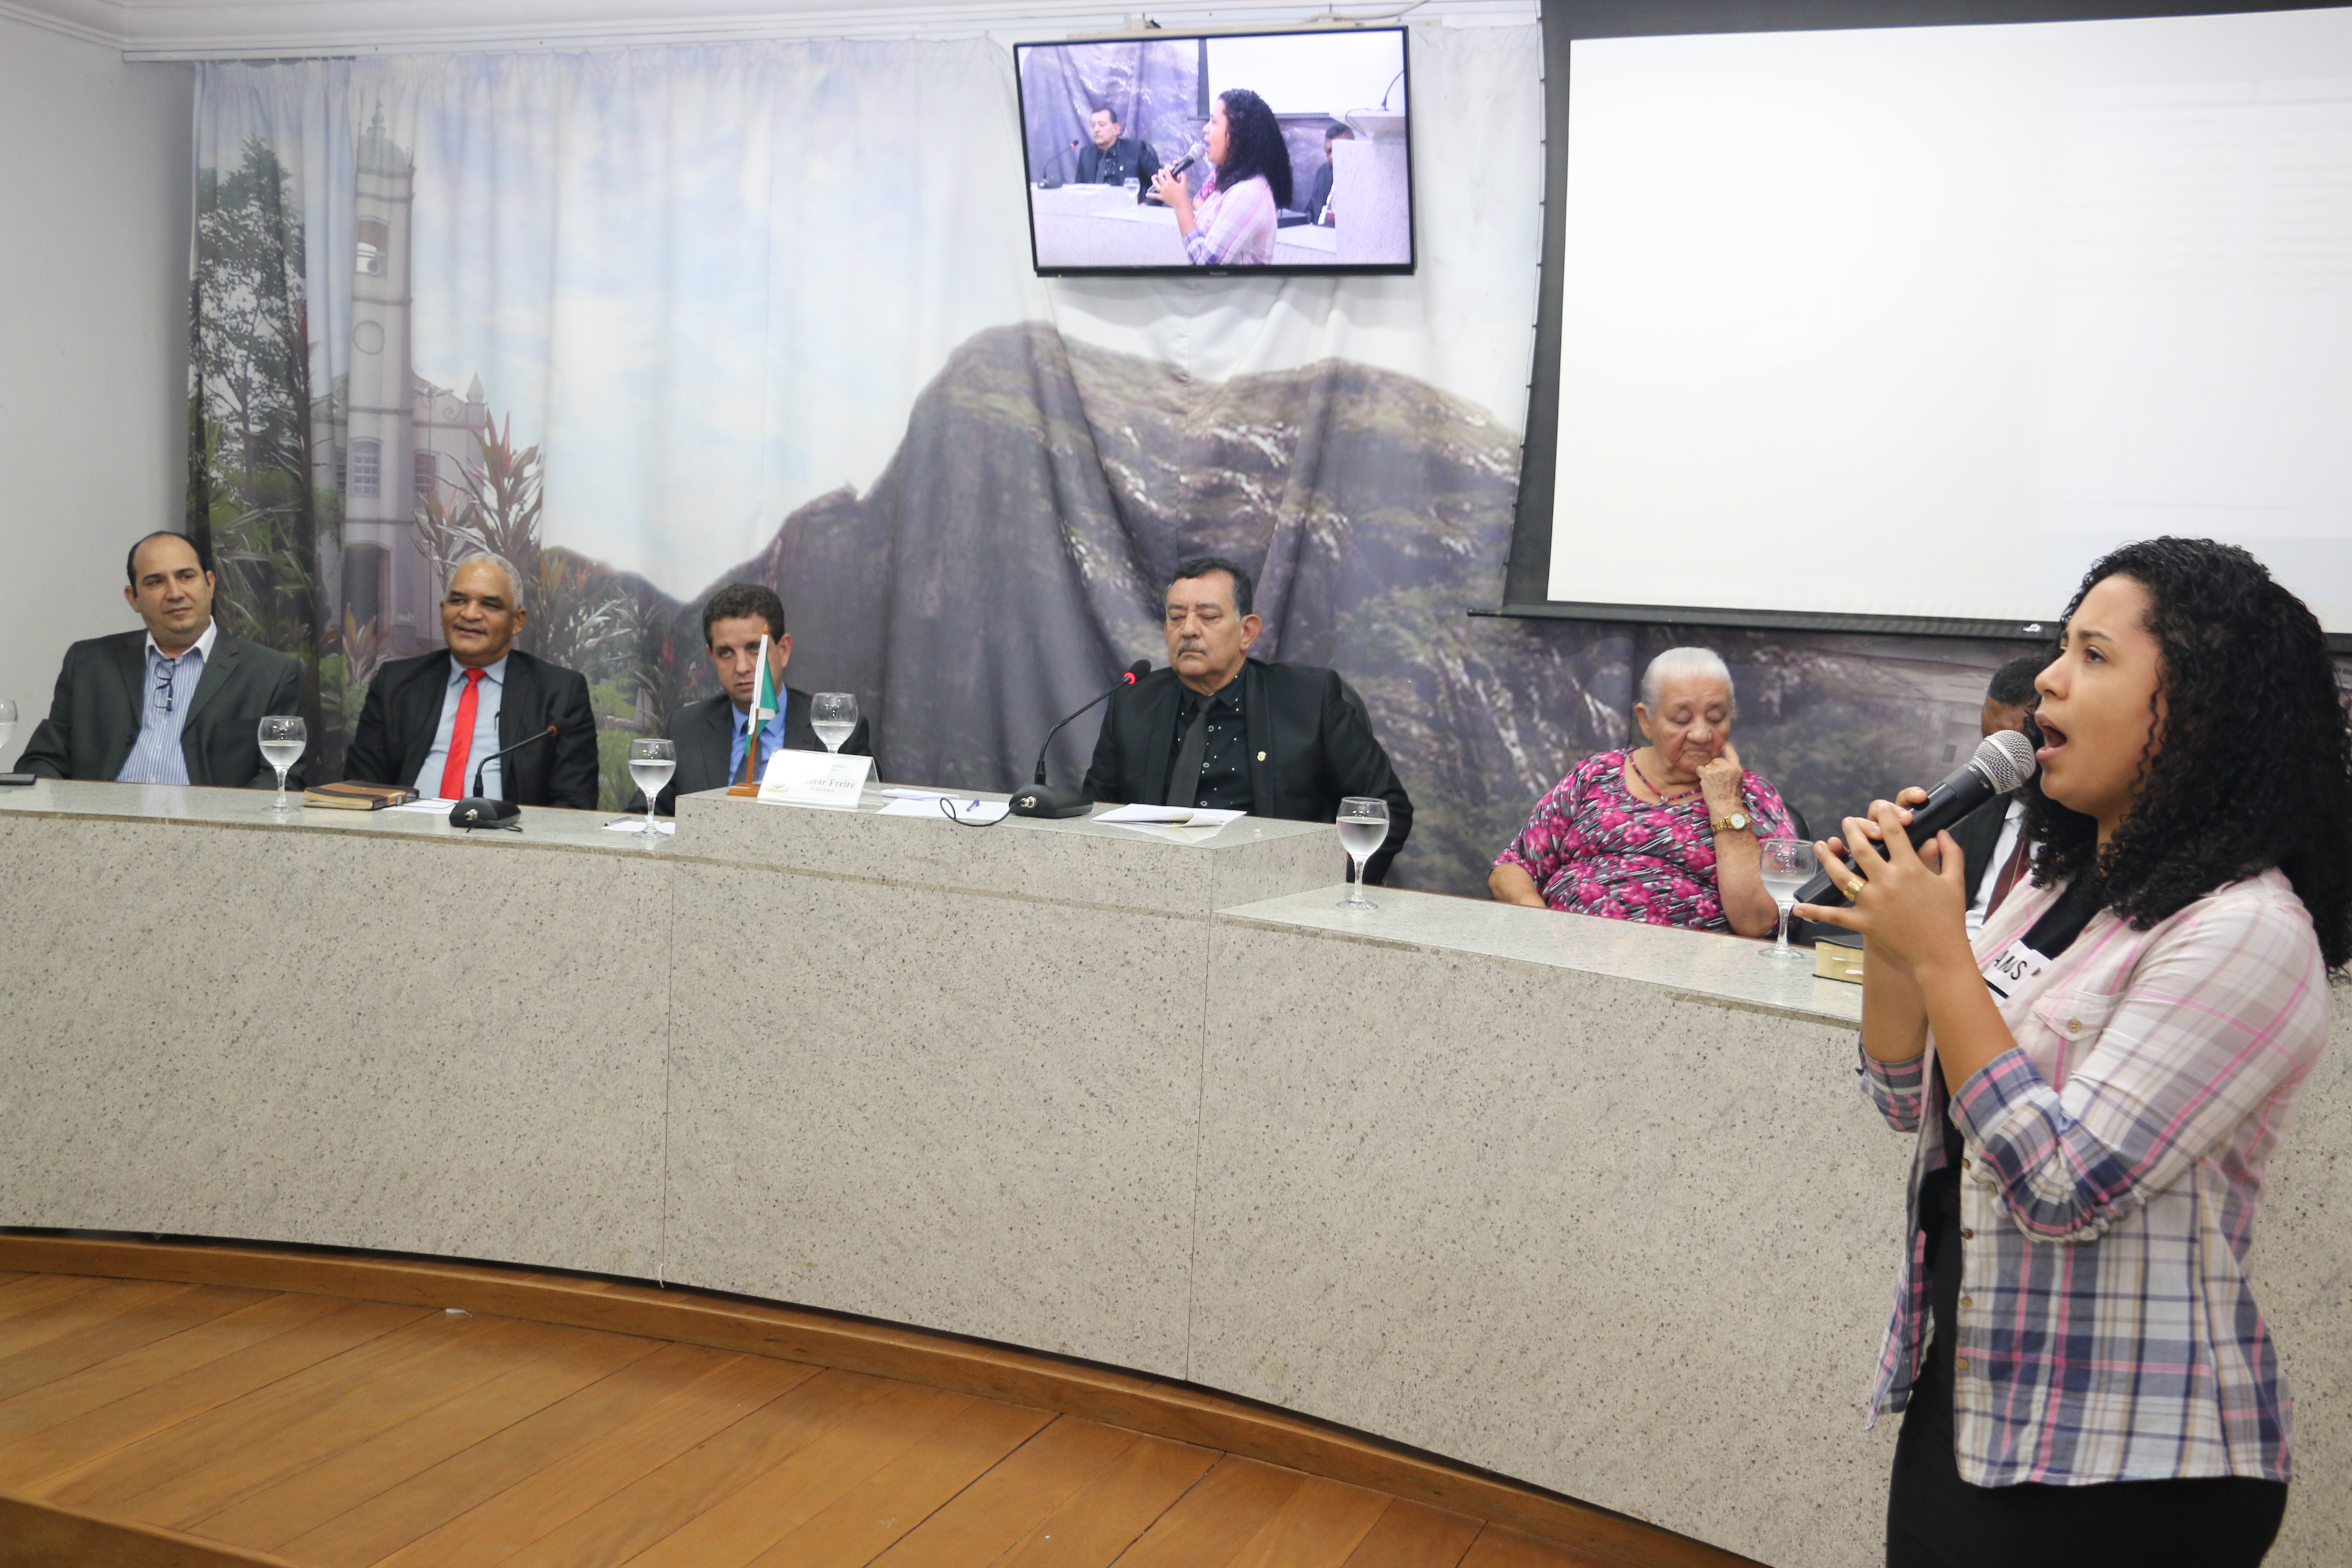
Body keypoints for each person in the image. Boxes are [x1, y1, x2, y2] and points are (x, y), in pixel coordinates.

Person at [1795, 538, 2346, 1568]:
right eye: (2060, 648)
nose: (2049, 679)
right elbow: (1905, 1095)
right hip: (1975, 1401)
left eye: (2093, 655)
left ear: (2200, 708)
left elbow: (2059, 1186)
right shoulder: (2056, 887)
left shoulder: (2247, 933)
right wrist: (1894, 938)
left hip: (2126, 1463)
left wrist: (1942, 955)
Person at [1082, 555, 1412, 883]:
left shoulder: (1309, 701)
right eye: (1177, 617)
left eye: (1208, 617)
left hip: (1278, 892)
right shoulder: (1134, 704)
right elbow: (1093, 815)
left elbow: (1387, 809)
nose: (1189, 630)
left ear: (1247, 632)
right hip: (1153, 887)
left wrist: (1326, 889)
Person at [1488, 647, 1797, 937]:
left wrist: (1727, 803)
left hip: (1683, 967)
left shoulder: (1754, 797)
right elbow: (1514, 866)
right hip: (1562, 951)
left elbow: (1759, 922)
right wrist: (1537, 923)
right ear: (1646, 720)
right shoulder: (1596, 774)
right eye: (1681, 719)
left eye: (1716, 718)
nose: (1702, 734)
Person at [19, 531, 304, 790]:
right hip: (100, 821)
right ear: (133, 599)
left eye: (186, 577)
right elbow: (43, 760)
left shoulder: (270, 673)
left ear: (210, 584)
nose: (175, 593)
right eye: (156, 582)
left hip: (208, 825)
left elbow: (282, 775)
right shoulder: (88, 663)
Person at [342, 552, 598, 808]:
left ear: (518, 621)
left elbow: (574, 803)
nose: (470, 614)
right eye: (458, 601)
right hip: (405, 827)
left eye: (490, 605)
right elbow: (362, 787)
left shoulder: (559, 692)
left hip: (509, 831)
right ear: (443, 611)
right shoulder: (395, 684)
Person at [630, 582, 871, 815]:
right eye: (726, 653)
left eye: (755, 648)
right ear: (711, 657)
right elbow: (644, 817)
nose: (742, 667)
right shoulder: (686, 728)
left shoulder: (835, 733)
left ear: (783, 651)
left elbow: (867, 825)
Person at [1946, 655, 2046, 933]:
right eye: (1996, 746)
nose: (2008, 764)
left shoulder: (2090, 832)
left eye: (2019, 748)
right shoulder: (1970, 814)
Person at [1149, 88, 1290, 266]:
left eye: (1214, 122)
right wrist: (1178, 194)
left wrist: (1181, 204)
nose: (1206, 129)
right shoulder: (1230, 184)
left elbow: (1207, 265)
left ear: (1238, 134)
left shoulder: (1249, 193)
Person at [1072, 104, 1159, 197]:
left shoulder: (1135, 150)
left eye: (1102, 125)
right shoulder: (1086, 154)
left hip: (1129, 205)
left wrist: (1146, 203)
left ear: (1116, 129)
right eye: (1093, 126)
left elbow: (1161, 182)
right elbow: (1079, 190)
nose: (1096, 130)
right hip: (1094, 205)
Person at [1306, 123, 1353, 225]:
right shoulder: (1323, 172)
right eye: (1328, 151)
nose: (1331, 157)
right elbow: (1311, 208)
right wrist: (1309, 222)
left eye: (1336, 150)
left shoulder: (1363, 178)